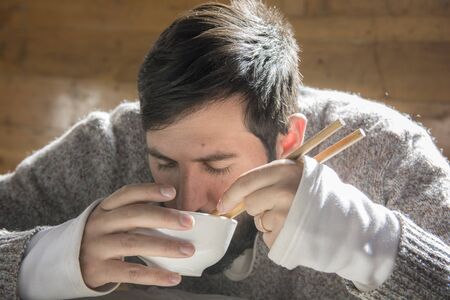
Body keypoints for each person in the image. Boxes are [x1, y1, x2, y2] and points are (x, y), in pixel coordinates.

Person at [1, 0, 448, 299]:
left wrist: (373, 245)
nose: (188, 200)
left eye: (216, 164)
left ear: (287, 140)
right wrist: (44, 260)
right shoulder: (112, 145)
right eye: (164, 162)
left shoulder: (388, 157)